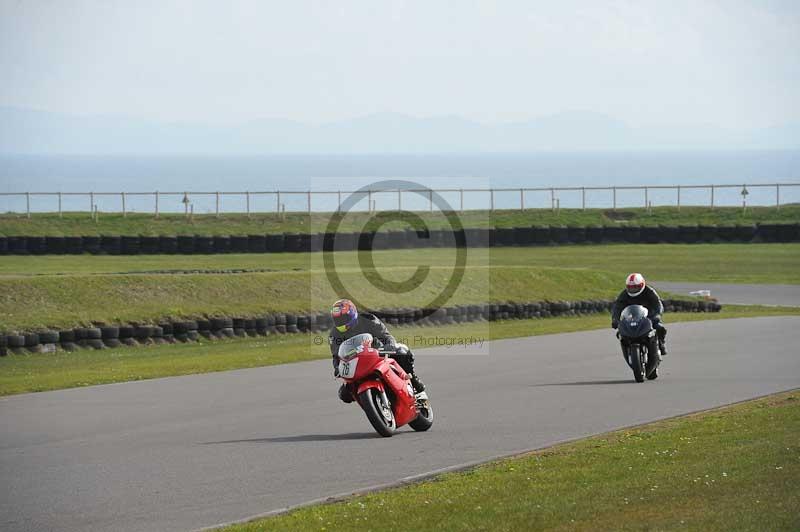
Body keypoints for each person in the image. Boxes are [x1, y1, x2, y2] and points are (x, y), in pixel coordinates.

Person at [328, 298, 425, 403]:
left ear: (352, 314)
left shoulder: (368, 320)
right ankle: (370, 402)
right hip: (356, 364)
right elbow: (336, 356)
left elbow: (385, 336)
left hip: (378, 354)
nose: (341, 322)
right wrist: (337, 368)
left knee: (402, 352)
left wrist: (390, 346)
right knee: (344, 394)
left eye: (344, 318)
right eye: (338, 320)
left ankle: (414, 381)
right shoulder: (334, 334)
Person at [611, 273, 668, 356]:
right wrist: (615, 319)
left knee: (660, 327)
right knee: (620, 333)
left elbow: (658, 304)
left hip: (649, 317)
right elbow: (617, 307)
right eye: (630, 287)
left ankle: (661, 343)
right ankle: (627, 350)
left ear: (642, 285)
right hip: (631, 317)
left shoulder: (649, 291)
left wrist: (657, 315)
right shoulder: (624, 294)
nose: (633, 289)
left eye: (635, 287)